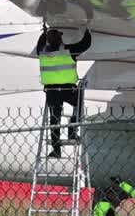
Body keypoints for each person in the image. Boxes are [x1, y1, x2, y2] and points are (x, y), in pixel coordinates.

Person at [35, 26, 92, 158]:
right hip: (68, 90)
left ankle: (56, 149)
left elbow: (40, 44)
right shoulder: (68, 50)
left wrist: (44, 33)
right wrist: (87, 30)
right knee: (78, 104)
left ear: (48, 41)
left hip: (51, 91)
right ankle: (72, 130)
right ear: (60, 39)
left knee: (54, 120)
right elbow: (85, 44)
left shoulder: (42, 52)